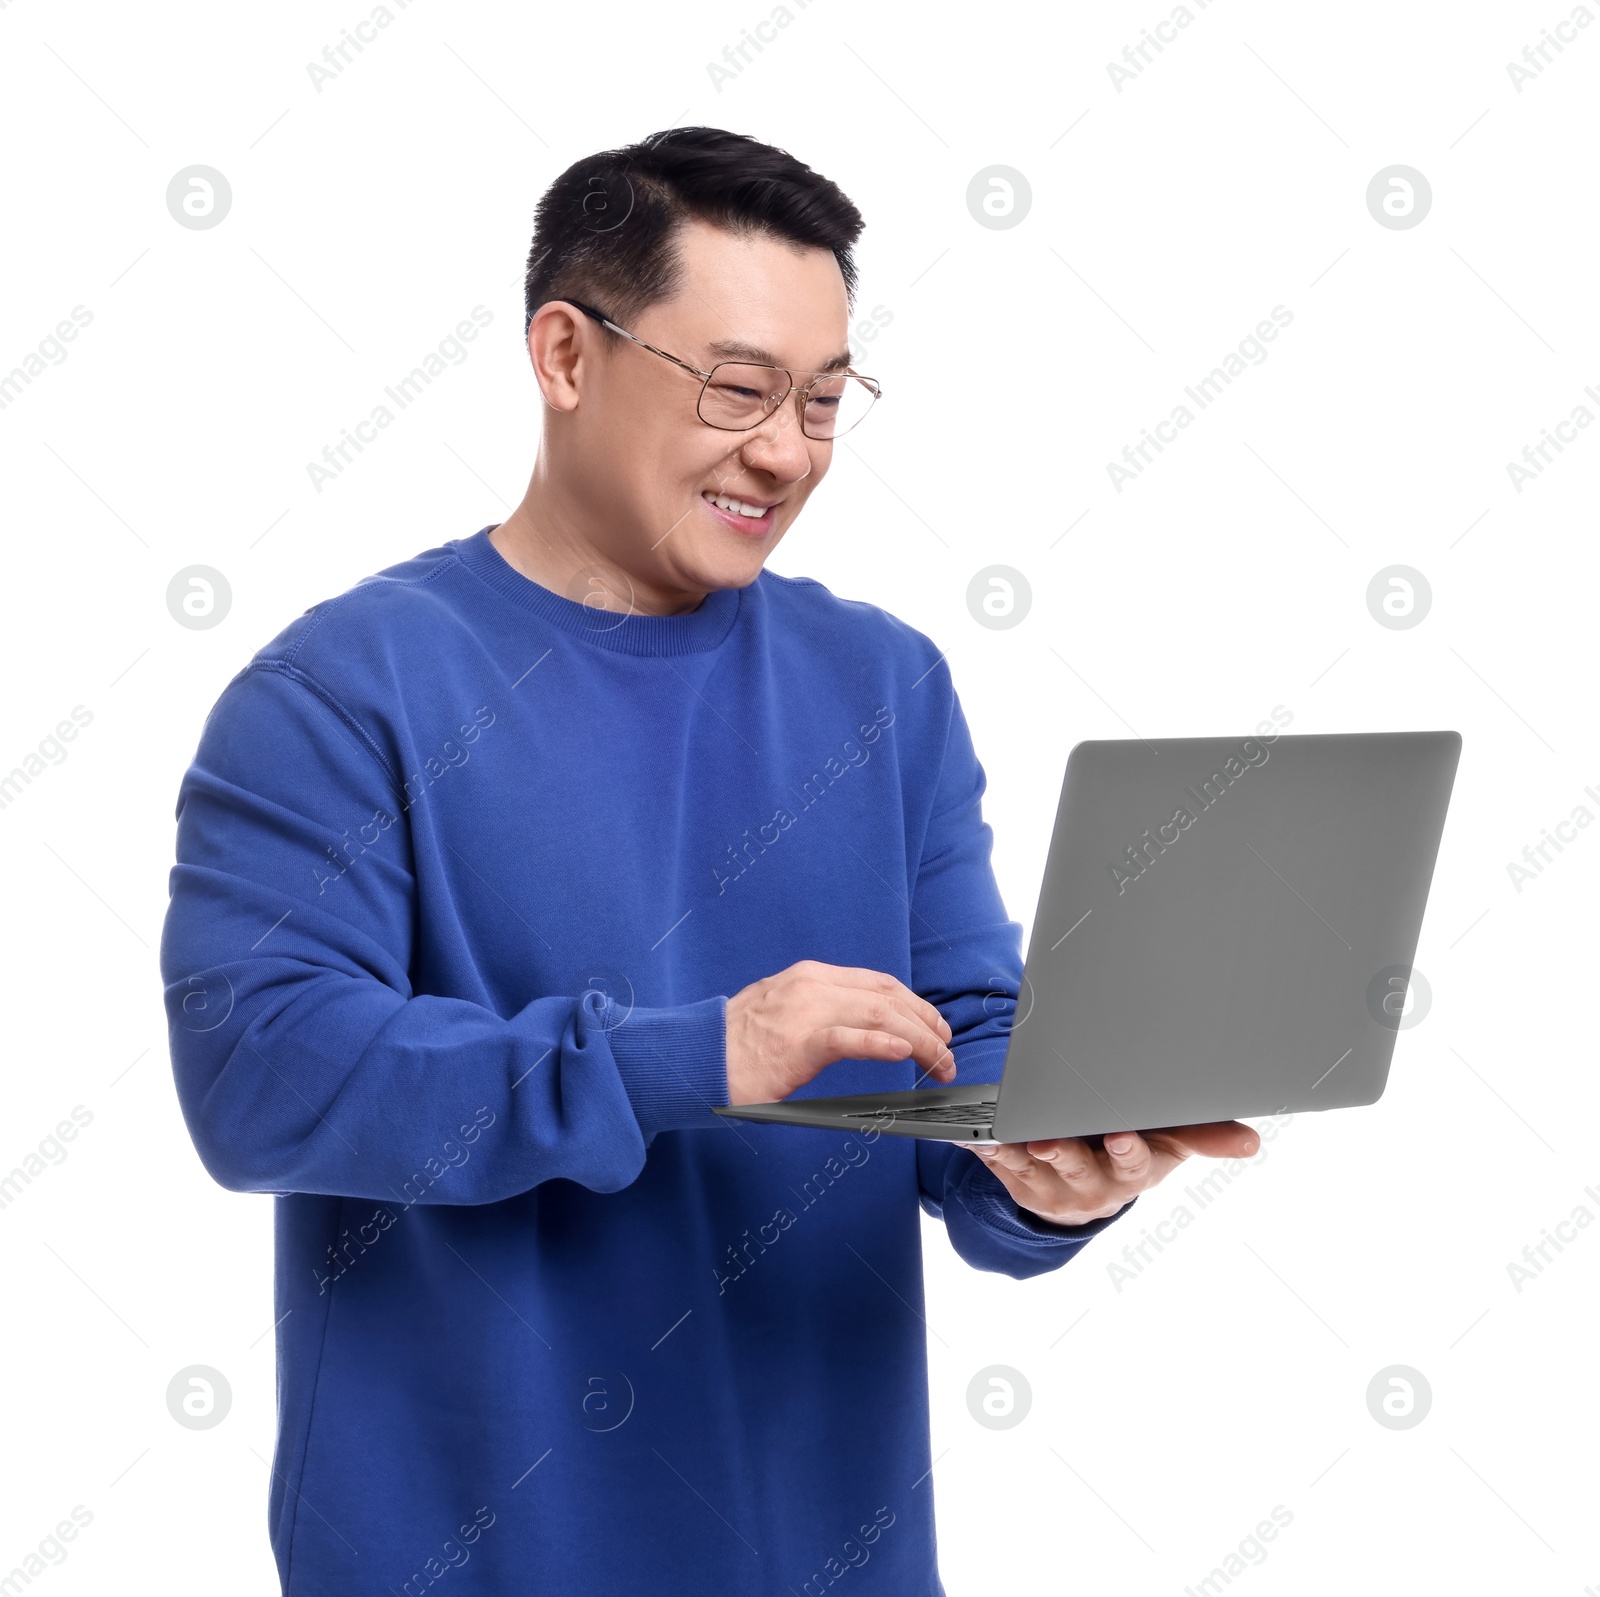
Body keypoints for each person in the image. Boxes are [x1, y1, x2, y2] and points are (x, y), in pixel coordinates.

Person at [161, 125, 1258, 1597]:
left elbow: (968, 1046)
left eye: (822, 398)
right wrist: (700, 1052)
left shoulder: (885, 685)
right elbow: (265, 1080)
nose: (785, 450)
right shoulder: (343, 691)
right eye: (738, 388)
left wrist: (1049, 1172)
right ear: (564, 353)